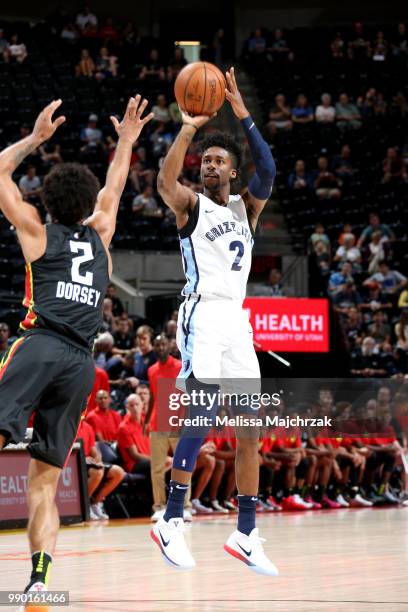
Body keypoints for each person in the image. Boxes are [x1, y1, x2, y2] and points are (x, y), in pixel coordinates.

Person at [0, 95, 153, 595]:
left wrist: (35, 139)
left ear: (46, 201)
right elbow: (113, 188)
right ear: (87, 205)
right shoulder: (101, 234)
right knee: (43, 480)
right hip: (80, 364)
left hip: (41, 345)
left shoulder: (37, 234)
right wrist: (127, 139)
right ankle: (39, 585)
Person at [151, 66, 278, 575]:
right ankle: (171, 520)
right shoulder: (191, 206)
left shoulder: (248, 208)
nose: (208, 165)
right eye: (204, 160)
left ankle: (245, 533)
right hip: (202, 311)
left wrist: (242, 113)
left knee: (250, 428)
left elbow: (267, 169)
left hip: (237, 322)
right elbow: (164, 182)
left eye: (217, 161)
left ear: (232, 171)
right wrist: (187, 127)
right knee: (201, 414)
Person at [144, 335, 191, 522]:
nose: (160, 347)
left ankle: (185, 506)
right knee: (156, 468)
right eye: (157, 345)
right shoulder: (151, 370)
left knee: (183, 465)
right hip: (157, 424)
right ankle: (159, 506)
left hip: (177, 422)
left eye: (163, 344)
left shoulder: (180, 366)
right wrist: (146, 420)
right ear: (154, 348)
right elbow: (154, 397)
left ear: (169, 346)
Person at [77, 417, 125, 520]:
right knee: (98, 472)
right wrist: (84, 458)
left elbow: (93, 449)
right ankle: (86, 505)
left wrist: (97, 460)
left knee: (118, 472)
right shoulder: (68, 425)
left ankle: (95, 503)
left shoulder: (87, 427)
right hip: (75, 461)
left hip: (89, 462)